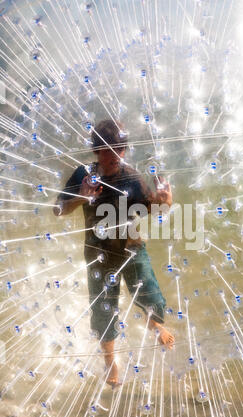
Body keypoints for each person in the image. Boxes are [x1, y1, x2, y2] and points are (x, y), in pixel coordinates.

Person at [53, 119, 174, 387]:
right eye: (106, 150)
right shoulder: (83, 175)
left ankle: (154, 325)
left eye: (118, 150)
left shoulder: (131, 177)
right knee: (103, 311)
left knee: (151, 295)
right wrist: (81, 199)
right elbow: (58, 209)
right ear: (96, 150)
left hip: (131, 248)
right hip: (98, 253)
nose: (113, 156)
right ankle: (110, 360)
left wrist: (165, 202)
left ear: (124, 150)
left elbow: (151, 209)